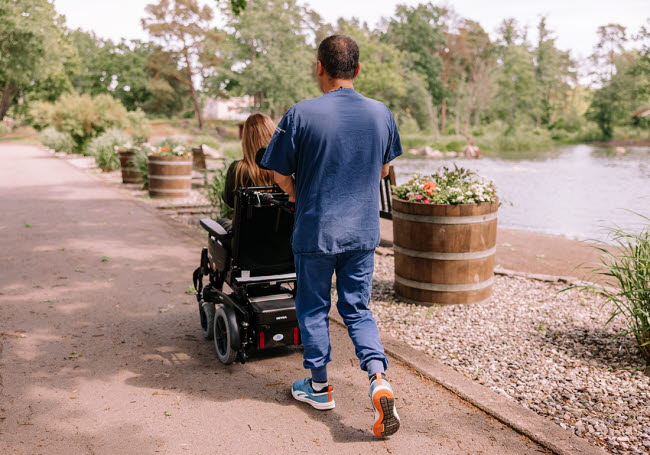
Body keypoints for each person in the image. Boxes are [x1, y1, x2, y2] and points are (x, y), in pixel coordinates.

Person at [261, 35, 402, 438]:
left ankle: (320, 387)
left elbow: (279, 173)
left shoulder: (300, 114)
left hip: (316, 230)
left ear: (319, 67)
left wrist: (295, 193)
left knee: (314, 308)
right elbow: (384, 171)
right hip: (361, 231)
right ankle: (378, 378)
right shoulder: (381, 113)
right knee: (358, 309)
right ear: (357, 70)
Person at [221, 113, 276, 210]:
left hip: (247, 224)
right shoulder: (285, 169)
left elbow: (230, 202)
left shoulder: (238, 169)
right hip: (281, 225)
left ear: (246, 139)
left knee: (222, 222)